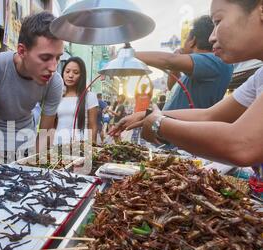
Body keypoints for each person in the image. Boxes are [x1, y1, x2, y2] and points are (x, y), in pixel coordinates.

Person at [110, 0, 263, 197]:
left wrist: (158, 124)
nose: (212, 36)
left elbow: (241, 145)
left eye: (218, 21)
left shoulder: (215, 63)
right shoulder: (259, 77)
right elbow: (209, 115)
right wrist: (145, 116)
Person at [0, 11, 64, 164]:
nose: (53, 67)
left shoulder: (55, 82)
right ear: (22, 51)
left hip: (28, 146)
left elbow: (44, 135)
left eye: (58, 57)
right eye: (45, 58)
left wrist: (32, 165)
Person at [135, 15, 233, 111]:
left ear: (192, 40)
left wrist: (126, 55)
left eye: (186, 38)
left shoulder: (216, 60)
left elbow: (168, 60)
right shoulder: (198, 70)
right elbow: (172, 87)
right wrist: (175, 67)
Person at [53, 57, 98, 146]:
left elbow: (93, 126)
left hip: (80, 147)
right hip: (58, 144)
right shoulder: (57, 96)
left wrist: (91, 148)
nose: (70, 75)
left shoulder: (90, 97)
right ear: (62, 73)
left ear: (82, 75)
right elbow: (54, 124)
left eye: (75, 72)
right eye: (67, 71)